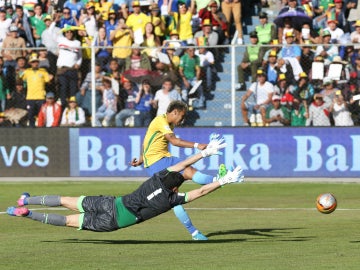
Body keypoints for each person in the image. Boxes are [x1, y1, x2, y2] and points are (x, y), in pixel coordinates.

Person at [7, 140, 244, 235]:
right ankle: (28, 214)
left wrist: (203, 153)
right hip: (114, 222)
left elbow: (181, 165)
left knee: (67, 200)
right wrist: (223, 181)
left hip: (112, 203)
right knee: (70, 221)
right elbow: (201, 191)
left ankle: (26, 200)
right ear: (176, 189)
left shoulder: (157, 178)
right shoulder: (172, 200)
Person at [131, 101, 228, 240]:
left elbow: (147, 142)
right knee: (188, 171)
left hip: (153, 165)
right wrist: (197, 145)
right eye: (181, 116)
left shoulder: (165, 123)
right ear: (174, 112)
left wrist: (142, 158)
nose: (182, 120)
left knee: (172, 197)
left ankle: (194, 233)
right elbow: (174, 141)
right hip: (160, 162)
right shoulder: (161, 121)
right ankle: (219, 180)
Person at [21, 53, 53, 127]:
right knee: (30, 115)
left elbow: (48, 82)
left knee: (41, 115)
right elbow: (20, 79)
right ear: (30, 63)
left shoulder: (43, 71)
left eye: (36, 62)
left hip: (40, 96)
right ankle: (31, 130)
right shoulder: (27, 72)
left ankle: (41, 129)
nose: (35, 63)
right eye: (33, 62)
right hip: (30, 97)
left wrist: (50, 79)